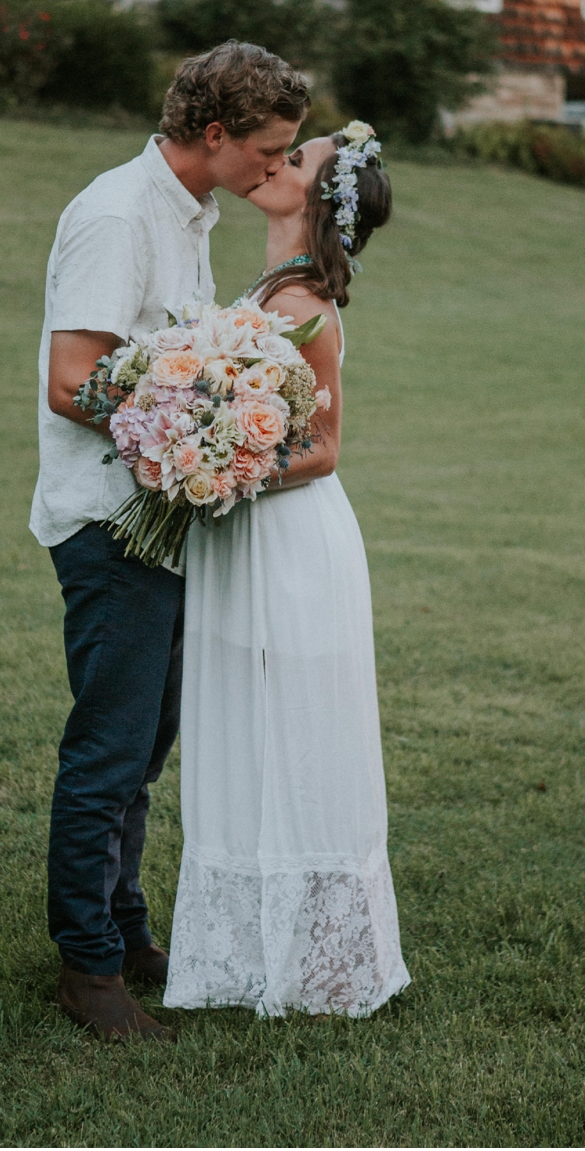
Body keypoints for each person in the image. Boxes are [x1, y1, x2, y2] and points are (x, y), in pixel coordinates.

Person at [31, 41, 307, 1042]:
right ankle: (85, 968)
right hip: (109, 524)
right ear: (213, 134)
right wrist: (194, 419)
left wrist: (212, 399)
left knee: (143, 748)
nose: (275, 172)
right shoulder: (115, 214)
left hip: (161, 519)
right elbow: (71, 381)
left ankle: (123, 926)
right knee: (105, 752)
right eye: (267, 153)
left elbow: (169, 354)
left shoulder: (185, 214)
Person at [164, 124, 409, 1018]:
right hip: (242, 542)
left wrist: (218, 462)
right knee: (246, 731)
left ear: (314, 202)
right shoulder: (265, 287)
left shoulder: (304, 301)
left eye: (294, 159)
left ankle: (330, 966)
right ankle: (248, 953)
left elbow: (326, 448)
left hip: (295, 546)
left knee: (304, 736)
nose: (276, 160)